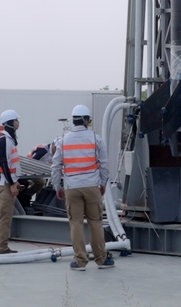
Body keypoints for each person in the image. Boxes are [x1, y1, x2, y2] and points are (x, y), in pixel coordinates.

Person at [52, 104, 113, 271]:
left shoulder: (63, 140)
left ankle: (80, 261)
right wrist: (102, 183)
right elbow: (104, 164)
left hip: (72, 187)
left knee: (76, 223)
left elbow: (55, 166)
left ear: (73, 120)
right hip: (92, 186)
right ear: (86, 120)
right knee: (95, 222)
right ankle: (101, 259)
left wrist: (57, 187)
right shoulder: (95, 138)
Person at [0, 109, 24, 255]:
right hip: (4, 183)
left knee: (7, 215)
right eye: (16, 120)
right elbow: (4, 163)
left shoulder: (10, 140)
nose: (18, 123)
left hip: (8, 182)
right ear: (11, 122)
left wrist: (14, 182)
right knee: (5, 216)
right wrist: (11, 184)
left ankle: (3, 246)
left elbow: (10, 164)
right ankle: (1, 247)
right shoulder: (5, 140)